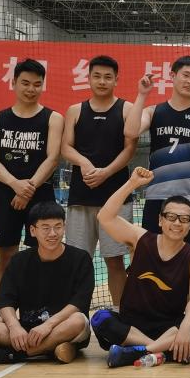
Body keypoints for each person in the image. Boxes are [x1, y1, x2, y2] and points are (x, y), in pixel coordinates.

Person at [92, 168, 190, 368]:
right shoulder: (140, 239)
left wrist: (185, 327)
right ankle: (159, 350)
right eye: (171, 217)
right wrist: (132, 184)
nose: (177, 223)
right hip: (132, 327)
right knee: (100, 318)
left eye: (184, 219)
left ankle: (136, 352)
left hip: (169, 327)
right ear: (160, 220)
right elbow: (105, 217)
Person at [0, 202, 94, 365]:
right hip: (27, 330)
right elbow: (5, 300)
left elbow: (79, 302)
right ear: (32, 231)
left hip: (62, 326)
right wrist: (14, 327)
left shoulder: (81, 258)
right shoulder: (19, 261)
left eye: (58, 227)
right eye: (45, 228)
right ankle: (49, 349)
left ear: (64, 227)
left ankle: (13, 354)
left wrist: (48, 325)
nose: (53, 233)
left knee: (77, 320)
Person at [124, 55, 190, 253]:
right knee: (151, 256)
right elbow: (130, 132)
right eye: (185, 75)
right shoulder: (154, 111)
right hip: (157, 197)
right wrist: (142, 95)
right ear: (172, 76)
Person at [0, 58, 64, 295]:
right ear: (14, 83)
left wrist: (28, 188)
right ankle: (3, 309)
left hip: (41, 194)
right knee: (6, 256)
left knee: (43, 254)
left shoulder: (53, 118)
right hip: (5, 194)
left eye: (37, 84)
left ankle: (39, 308)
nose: (31, 89)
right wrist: (14, 184)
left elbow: (53, 158)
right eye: (25, 83)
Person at [61, 55, 135, 308]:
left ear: (116, 80)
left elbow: (129, 149)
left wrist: (106, 172)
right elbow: (66, 147)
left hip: (116, 199)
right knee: (77, 261)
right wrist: (84, 163)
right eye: (97, 76)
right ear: (89, 78)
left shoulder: (126, 109)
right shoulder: (75, 110)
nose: (102, 81)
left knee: (115, 261)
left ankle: (120, 314)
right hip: (81, 198)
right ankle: (76, 316)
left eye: (108, 77)